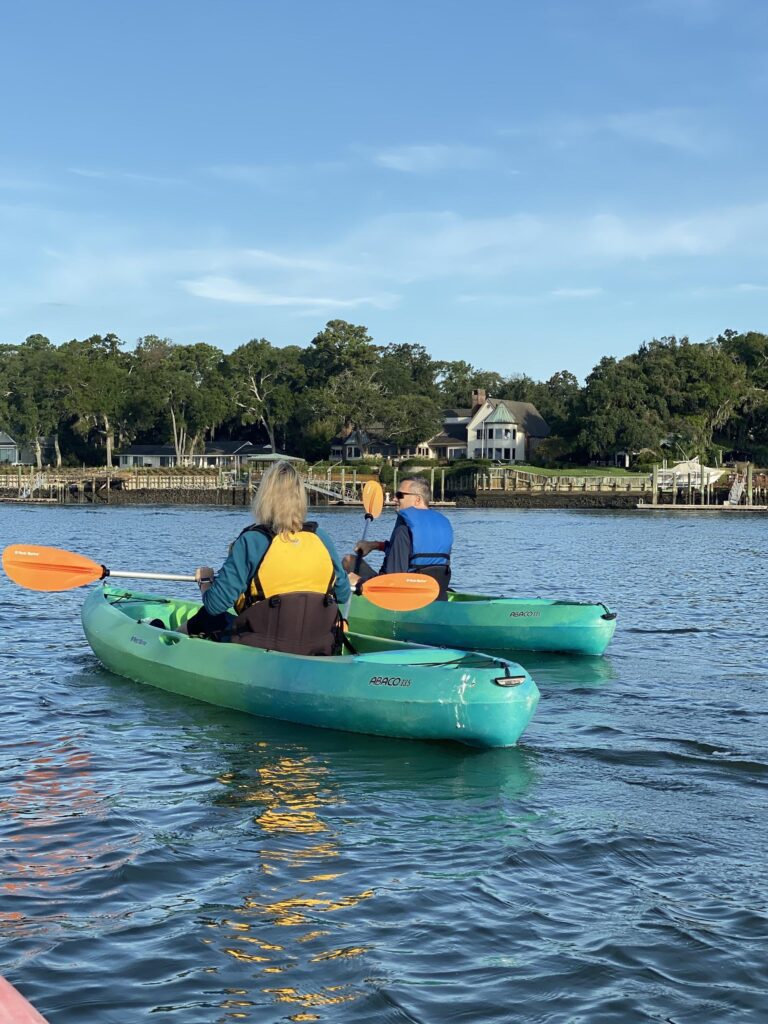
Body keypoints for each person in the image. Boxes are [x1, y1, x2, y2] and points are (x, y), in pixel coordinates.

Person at [183, 460, 351, 655]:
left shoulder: (252, 541)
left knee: (206, 617)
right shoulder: (321, 538)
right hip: (317, 645)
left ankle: (167, 641)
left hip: (261, 646)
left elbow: (215, 605)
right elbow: (343, 594)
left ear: (265, 497)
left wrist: (205, 582)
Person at [344, 475, 453, 599]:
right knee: (349, 560)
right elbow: (413, 551)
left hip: (402, 597)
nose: (395, 499)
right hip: (435, 593)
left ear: (417, 499)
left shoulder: (403, 530)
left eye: (400, 495)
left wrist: (359, 582)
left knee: (346, 564)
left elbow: (392, 580)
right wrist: (374, 545)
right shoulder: (443, 524)